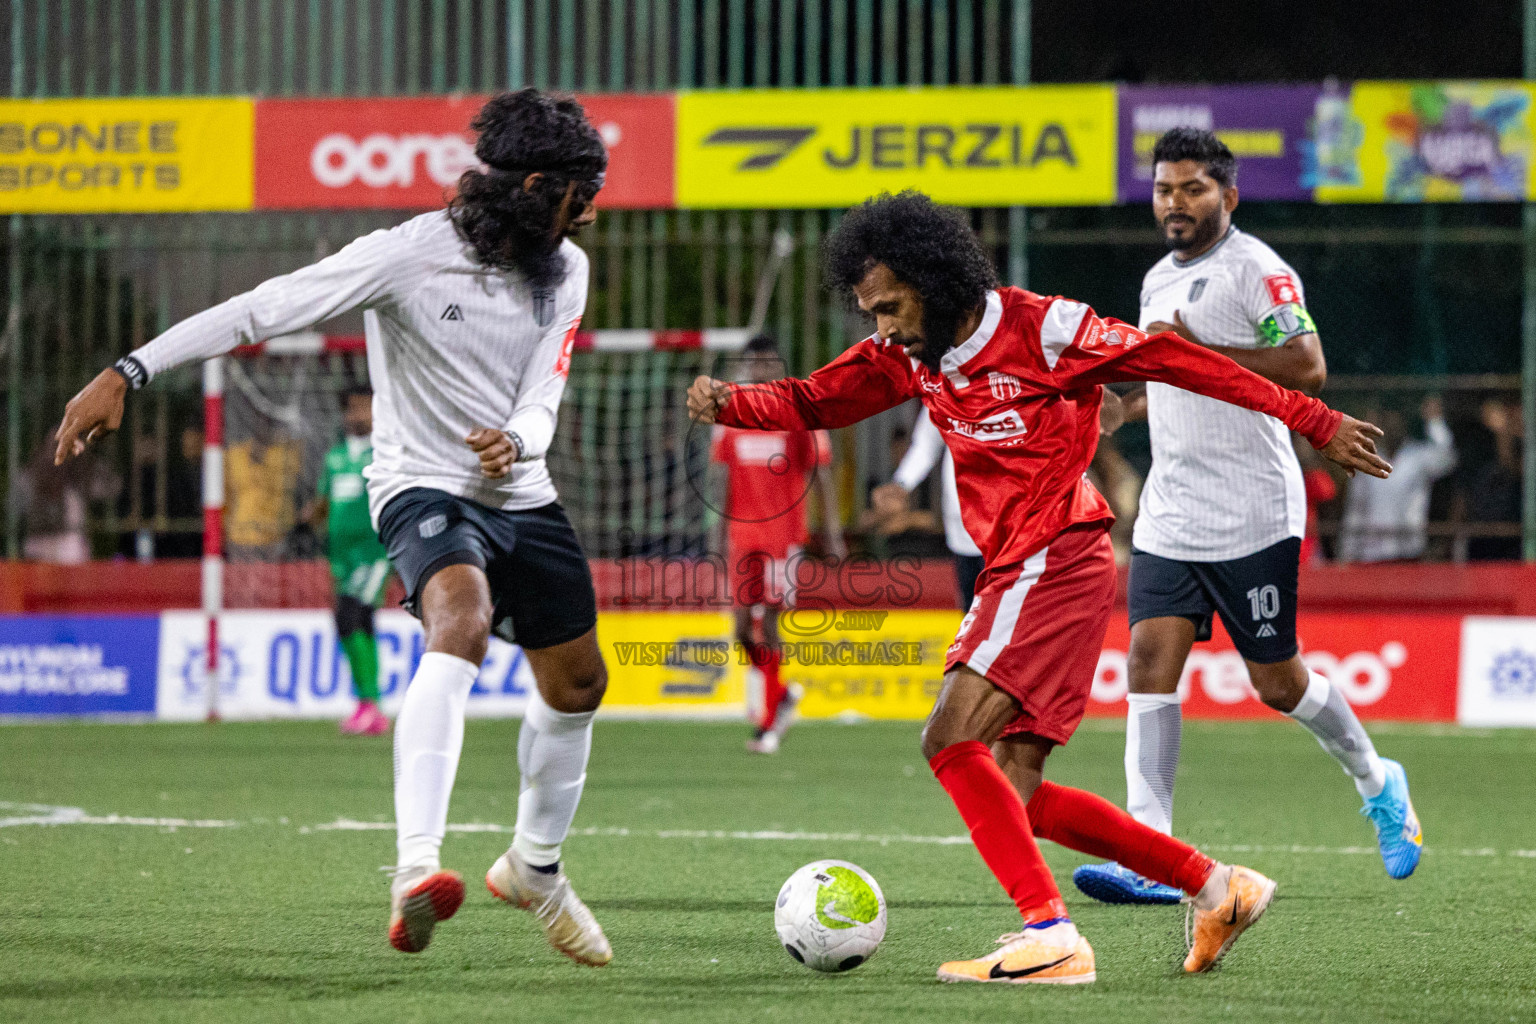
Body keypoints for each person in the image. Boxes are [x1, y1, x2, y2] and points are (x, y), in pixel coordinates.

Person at [687, 190, 1392, 984]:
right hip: (1033, 564)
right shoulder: (907, 354)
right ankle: (1217, 887)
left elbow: (1175, 361)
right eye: (869, 312)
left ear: (933, 279)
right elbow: (818, 398)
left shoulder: (1044, 330)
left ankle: (1050, 932)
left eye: (890, 306)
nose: (880, 326)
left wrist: (1312, 417)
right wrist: (733, 404)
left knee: (948, 737)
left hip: (1051, 555)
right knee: (1017, 791)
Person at [53, 89, 614, 966]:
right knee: (457, 622)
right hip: (421, 486)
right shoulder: (407, 256)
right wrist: (131, 367)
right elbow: (261, 308)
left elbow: (546, 388)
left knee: (579, 685)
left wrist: (519, 438)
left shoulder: (567, 269)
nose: (594, 207)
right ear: (540, 186)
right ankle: (416, 872)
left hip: (522, 491)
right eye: (585, 190)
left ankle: (535, 869)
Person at [1073, 129, 1425, 908]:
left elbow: (1308, 366)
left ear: (1227, 197)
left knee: (1277, 682)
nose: (1175, 202)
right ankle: (1151, 853)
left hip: (1253, 510)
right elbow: (1175, 380)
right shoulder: (1156, 278)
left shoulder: (1259, 270)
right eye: (1165, 189)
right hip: (1171, 508)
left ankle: (1377, 779)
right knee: (1147, 666)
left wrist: (1201, 346)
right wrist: (1122, 408)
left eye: (1193, 188)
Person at [711, 333, 844, 754]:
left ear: (778, 366)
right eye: (755, 363)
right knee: (739, 632)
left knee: (768, 625)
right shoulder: (730, 416)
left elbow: (820, 473)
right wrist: (716, 535)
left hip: (782, 536)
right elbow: (722, 477)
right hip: (741, 536)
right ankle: (782, 695)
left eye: (769, 362)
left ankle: (768, 725)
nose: (762, 369)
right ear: (748, 367)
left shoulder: (797, 411)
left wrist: (834, 533)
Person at [304, 386, 393, 737]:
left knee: (351, 615)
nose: (356, 415)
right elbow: (325, 504)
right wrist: (306, 520)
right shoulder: (335, 457)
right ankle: (367, 705)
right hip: (339, 555)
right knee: (354, 623)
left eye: (364, 408)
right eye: (351, 408)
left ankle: (371, 703)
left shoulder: (385, 455)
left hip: (373, 553)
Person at [872, 407, 986, 609]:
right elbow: (926, 445)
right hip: (960, 524)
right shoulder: (943, 385)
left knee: (1007, 618)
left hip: (1010, 525)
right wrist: (900, 485)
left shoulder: (1020, 385)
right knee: (971, 617)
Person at [1338, 395, 1457, 562]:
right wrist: (1346, 554)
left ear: (1404, 423)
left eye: (1397, 420)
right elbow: (1356, 508)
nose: (1392, 425)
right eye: (1387, 419)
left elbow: (1447, 459)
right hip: (1371, 555)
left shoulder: (1418, 456)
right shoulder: (1366, 459)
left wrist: (1435, 422)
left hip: (1409, 553)